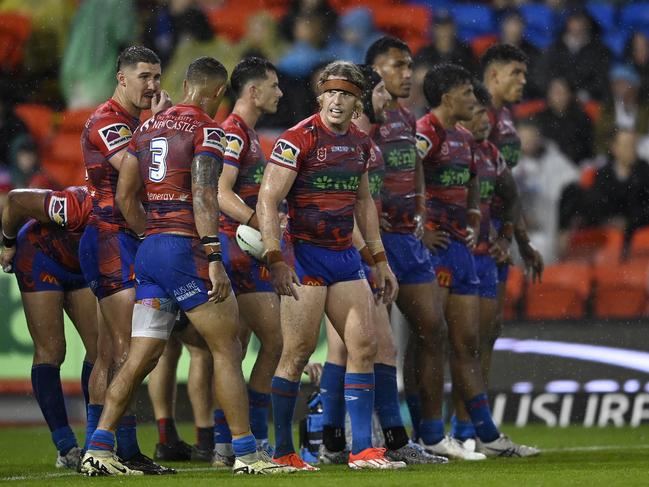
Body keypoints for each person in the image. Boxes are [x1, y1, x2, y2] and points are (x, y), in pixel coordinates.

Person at [81, 56, 293, 476]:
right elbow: (204, 194)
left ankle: (99, 449)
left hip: (151, 250)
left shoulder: (143, 129)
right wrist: (213, 256)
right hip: (187, 251)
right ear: (218, 93)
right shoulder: (207, 130)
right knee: (226, 349)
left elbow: (127, 197)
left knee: (140, 356)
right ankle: (247, 454)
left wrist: (151, 234)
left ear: (184, 84)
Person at [257, 60, 404, 470]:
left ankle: (362, 450)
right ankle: (284, 451)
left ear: (358, 103)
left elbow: (362, 203)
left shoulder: (360, 144)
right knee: (298, 352)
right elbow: (268, 200)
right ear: (320, 96)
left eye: (347, 94)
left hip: (343, 257)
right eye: (331, 93)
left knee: (364, 346)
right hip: (302, 256)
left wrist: (379, 260)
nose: (337, 101)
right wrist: (274, 257)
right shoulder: (296, 139)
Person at [317, 63, 445, 466]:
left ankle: (338, 442)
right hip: (336, 257)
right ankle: (363, 441)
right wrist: (373, 256)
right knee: (367, 347)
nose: (387, 100)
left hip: (352, 255)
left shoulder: (359, 142)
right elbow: (342, 207)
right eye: (379, 94)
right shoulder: (343, 141)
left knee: (352, 348)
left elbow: (364, 205)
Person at [417, 62, 538, 458]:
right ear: (450, 98)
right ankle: (427, 433)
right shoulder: (425, 133)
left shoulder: (468, 143)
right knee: (430, 341)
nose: (475, 99)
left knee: (467, 343)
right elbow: (402, 171)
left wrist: (475, 219)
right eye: (469, 94)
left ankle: (482, 432)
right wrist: (418, 224)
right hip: (434, 252)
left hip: (465, 250)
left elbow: (491, 186)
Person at [78, 45, 172, 474]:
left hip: (133, 238)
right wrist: (161, 126)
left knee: (124, 352)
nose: (152, 85)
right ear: (121, 78)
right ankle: (104, 450)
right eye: (143, 77)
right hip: (110, 237)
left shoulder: (137, 123)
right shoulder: (106, 121)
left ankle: (117, 448)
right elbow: (133, 169)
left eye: (156, 76)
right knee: (122, 350)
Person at [366, 36, 456, 457]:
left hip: (407, 237)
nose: (408, 74)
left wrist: (420, 205)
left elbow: (415, 165)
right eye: (397, 66)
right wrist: (369, 217)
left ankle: (431, 432)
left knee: (432, 328)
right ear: (374, 72)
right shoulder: (365, 118)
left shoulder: (407, 116)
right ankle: (379, 434)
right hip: (377, 242)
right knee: (376, 340)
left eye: (409, 65)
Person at [0, 186, 109, 469]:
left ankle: (92, 445)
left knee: (99, 350)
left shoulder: (130, 209)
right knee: (52, 350)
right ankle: (65, 446)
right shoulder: (75, 204)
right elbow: (15, 200)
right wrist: (8, 242)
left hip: (80, 266)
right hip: (39, 258)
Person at [213, 57, 284, 464]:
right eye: (272, 86)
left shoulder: (246, 134)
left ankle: (226, 443)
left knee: (237, 348)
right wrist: (261, 222)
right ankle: (254, 438)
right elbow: (222, 193)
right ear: (253, 92)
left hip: (235, 247)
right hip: (236, 248)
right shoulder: (234, 134)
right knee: (274, 340)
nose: (279, 92)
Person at [452, 82, 519, 444]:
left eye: (485, 114)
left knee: (482, 339)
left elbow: (512, 196)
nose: (483, 120)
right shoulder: (450, 147)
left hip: (484, 257)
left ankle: (468, 427)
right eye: (476, 112)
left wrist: (507, 235)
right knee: (461, 342)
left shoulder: (491, 153)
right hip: (455, 254)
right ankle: (454, 427)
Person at [481, 44, 543, 401]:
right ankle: (451, 426)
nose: (523, 80)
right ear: (493, 75)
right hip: (475, 238)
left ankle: (473, 424)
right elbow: (469, 185)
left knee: (487, 332)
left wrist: (520, 240)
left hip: (499, 238)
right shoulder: (476, 118)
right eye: (515, 73)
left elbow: (507, 188)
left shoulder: (504, 119)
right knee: (465, 336)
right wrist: (491, 233)